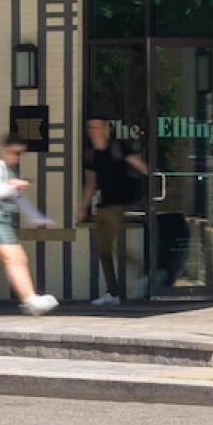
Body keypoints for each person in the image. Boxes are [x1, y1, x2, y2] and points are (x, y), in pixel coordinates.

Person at [0, 133, 60, 318]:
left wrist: (40, 219)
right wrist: (11, 187)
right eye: (15, 152)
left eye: (21, 154)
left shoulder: (8, 172)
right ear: (4, 149)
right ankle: (30, 300)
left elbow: (21, 201)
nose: (18, 157)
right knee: (15, 257)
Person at [76, 118, 151, 306]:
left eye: (98, 127)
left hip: (118, 204)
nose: (94, 130)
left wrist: (152, 189)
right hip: (102, 205)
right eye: (91, 127)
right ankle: (114, 292)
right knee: (104, 250)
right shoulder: (91, 153)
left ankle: (144, 273)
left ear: (107, 129)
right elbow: (91, 182)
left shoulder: (118, 147)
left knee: (113, 248)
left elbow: (142, 166)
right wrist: (83, 206)